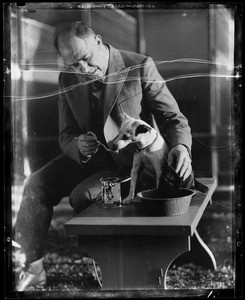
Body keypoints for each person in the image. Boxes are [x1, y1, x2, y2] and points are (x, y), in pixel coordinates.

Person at [13, 21, 193, 291]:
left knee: (81, 197)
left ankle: (111, 269)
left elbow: (172, 118)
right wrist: (77, 145)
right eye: (73, 64)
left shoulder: (140, 65)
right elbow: (66, 135)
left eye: (85, 59)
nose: (82, 70)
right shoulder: (67, 78)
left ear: (98, 40)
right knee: (35, 185)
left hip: (131, 163)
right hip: (89, 159)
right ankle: (32, 267)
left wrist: (181, 147)